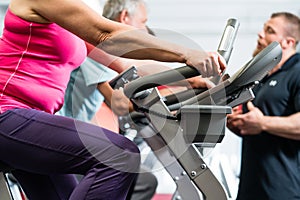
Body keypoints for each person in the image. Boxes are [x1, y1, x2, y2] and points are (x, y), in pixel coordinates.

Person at [0, 0, 226, 200]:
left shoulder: (70, 20)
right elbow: (105, 34)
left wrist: (188, 80)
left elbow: (125, 64)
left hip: (30, 120)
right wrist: (186, 53)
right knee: (119, 155)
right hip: (7, 114)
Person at [226, 12, 300, 200]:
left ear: (288, 42)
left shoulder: (297, 73)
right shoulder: (260, 76)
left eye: (270, 31)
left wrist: (263, 123)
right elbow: (257, 126)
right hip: (252, 188)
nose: (260, 34)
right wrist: (239, 123)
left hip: (284, 190)